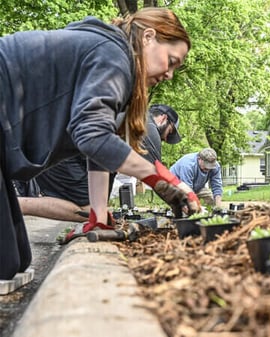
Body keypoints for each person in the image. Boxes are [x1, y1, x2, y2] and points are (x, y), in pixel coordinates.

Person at [0, 8, 200, 281]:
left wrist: (98, 216)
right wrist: (162, 179)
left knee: (18, 261)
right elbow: (92, 136)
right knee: (5, 267)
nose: (170, 74)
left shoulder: (112, 56)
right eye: (172, 61)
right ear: (149, 37)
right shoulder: (113, 56)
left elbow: (96, 149)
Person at [15, 104, 183, 222]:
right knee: (90, 211)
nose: (165, 139)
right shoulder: (147, 126)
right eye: (170, 132)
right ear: (163, 118)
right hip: (57, 151)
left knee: (97, 210)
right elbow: (157, 178)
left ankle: (17, 204)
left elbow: (106, 162)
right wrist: (184, 206)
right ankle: (16, 205)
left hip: (52, 145)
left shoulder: (129, 117)